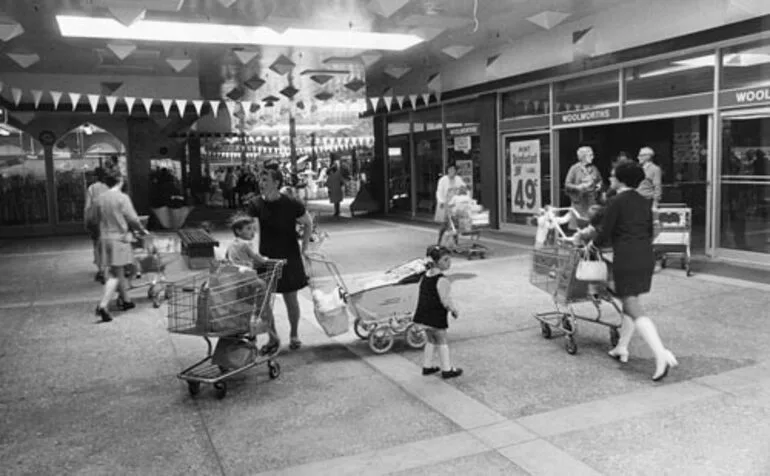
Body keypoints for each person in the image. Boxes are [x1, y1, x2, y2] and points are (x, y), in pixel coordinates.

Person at [571, 161, 677, 381]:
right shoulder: (644, 201)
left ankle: (660, 354)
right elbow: (649, 231)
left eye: (612, 176)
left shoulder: (616, 202)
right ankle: (622, 346)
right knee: (632, 301)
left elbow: (605, 232)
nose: (610, 178)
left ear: (620, 179)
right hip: (645, 255)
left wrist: (592, 245)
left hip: (626, 257)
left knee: (629, 303)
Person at [247, 168, 313, 350]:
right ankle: (273, 337)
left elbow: (308, 223)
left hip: (289, 256)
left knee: (290, 298)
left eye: (265, 179)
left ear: (276, 183)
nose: (261, 183)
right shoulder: (255, 204)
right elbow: (254, 231)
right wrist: (254, 254)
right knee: (264, 301)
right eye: (260, 179)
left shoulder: (292, 203)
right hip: (265, 258)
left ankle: (294, 334)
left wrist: (305, 247)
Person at [94, 168, 147, 322]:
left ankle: (126, 300)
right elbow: (133, 219)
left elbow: (93, 219)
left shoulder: (100, 198)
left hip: (104, 239)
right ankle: (103, 305)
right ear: (121, 181)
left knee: (118, 271)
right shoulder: (122, 198)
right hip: (119, 239)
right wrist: (141, 230)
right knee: (116, 274)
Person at [225, 213, 280, 355]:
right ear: (238, 231)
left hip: (236, 280)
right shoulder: (245, 244)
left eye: (253, 228)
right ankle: (271, 336)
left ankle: (250, 333)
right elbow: (258, 259)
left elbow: (228, 260)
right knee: (262, 301)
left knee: (246, 305)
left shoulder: (232, 244)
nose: (253, 232)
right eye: (249, 229)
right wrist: (268, 260)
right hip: (247, 278)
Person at [413, 245, 462, 379]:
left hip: (423, 314)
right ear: (436, 262)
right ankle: (447, 369)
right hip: (436, 315)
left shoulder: (425, 276)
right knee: (441, 340)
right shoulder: (442, 279)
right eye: (445, 260)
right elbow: (445, 300)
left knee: (430, 340)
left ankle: (427, 366)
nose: (449, 262)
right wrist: (453, 310)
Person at [564, 146, 603, 226]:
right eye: (590, 155)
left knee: (591, 226)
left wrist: (599, 185)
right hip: (579, 202)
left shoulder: (594, 168)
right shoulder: (574, 168)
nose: (593, 157)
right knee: (579, 227)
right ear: (583, 157)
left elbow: (600, 180)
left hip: (591, 202)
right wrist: (578, 187)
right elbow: (567, 184)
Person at [84, 167, 109, 283]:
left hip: (96, 220)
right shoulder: (109, 187)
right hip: (108, 220)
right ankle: (108, 267)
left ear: (95, 176)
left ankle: (101, 269)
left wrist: (86, 220)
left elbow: (87, 207)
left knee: (96, 245)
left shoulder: (92, 188)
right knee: (107, 244)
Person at [435, 164, 467, 245]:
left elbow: (464, 188)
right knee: (444, 225)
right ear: (447, 170)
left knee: (454, 224)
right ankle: (439, 241)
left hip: (455, 204)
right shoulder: (443, 180)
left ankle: (456, 242)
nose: (452, 171)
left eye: (453, 170)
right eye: (450, 169)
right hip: (445, 204)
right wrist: (441, 201)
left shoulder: (458, 179)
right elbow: (439, 192)